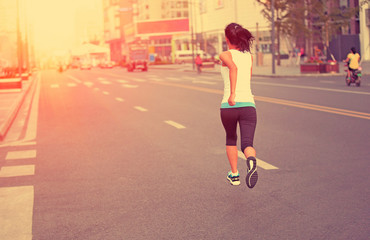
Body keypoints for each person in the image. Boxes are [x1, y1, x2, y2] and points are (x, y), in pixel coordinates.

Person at [219, 23, 258, 188]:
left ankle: (234, 174)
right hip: (248, 105)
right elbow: (248, 77)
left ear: (227, 39)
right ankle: (251, 160)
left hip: (228, 106)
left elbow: (233, 68)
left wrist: (232, 94)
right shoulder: (249, 56)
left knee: (231, 139)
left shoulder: (224, 54)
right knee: (247, 144)